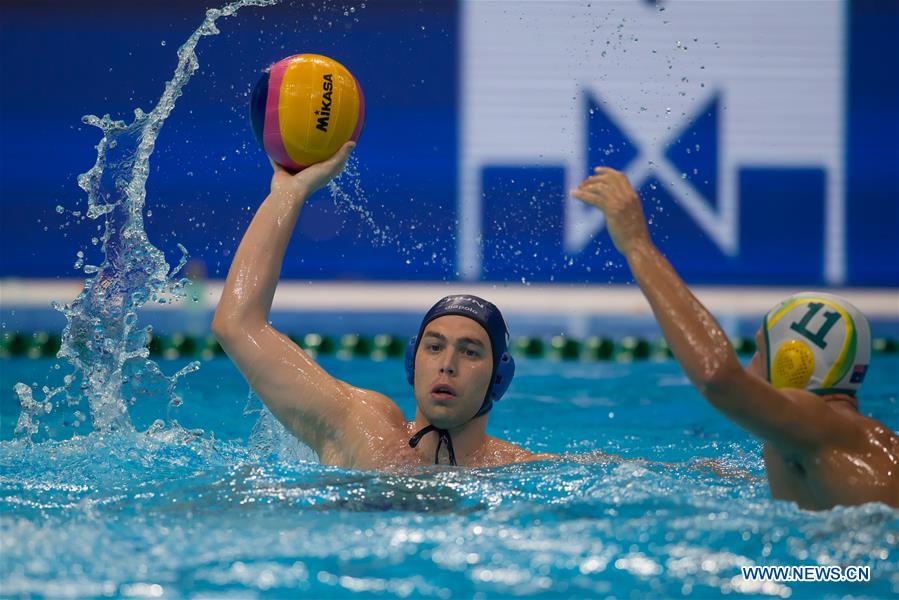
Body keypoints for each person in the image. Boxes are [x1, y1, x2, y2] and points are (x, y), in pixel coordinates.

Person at [571, 167, 899, 510]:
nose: (749, 363)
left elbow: (718, 377)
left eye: (760, 350)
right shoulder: (837, 444)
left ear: (791, 362)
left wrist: (637, 245)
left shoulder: (818, 425)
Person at [212, 142, 555, 468]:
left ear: (499, 379)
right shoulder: (360, 429)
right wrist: (288, 194)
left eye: (470, 352)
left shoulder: (517, 469)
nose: (447, 365)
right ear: (412, 362)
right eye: (434, 347)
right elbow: (237, 326)